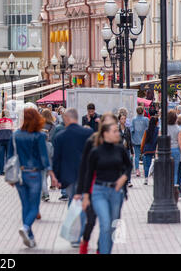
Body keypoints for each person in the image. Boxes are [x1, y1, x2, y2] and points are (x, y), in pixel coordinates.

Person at [6, 108, 58, 248]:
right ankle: (26, 227)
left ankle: (30, 237)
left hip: (19, 174)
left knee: (25, 205)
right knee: (34, 206)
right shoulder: (39, 136)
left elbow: (10, 156)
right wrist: (51, 173)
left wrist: (9, 176)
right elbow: (43, 156)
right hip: (34, 173)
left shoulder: (15, 135)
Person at [82, 122, 131, 254]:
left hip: (116, 192)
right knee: (105, 224)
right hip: (99, 190)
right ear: (105, 134)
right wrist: (86, 196)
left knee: (112, 226)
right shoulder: (95, 151)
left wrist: (124, 177)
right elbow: (88, 173)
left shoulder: (120, 149)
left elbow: (129, 166)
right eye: (114, 131)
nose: (118, 134)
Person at [75, 113, 118, 254]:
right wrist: (80, 191)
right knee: (92, 220)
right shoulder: (91, 141)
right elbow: (84, 168)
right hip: (93, 187)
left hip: (111, 189)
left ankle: (101, 249)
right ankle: (85, 242)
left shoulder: (117, 142)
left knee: (108, 225)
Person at [53, 108, 93, 247]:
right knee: (81, 204)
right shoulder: (88, 133)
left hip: (68, 176)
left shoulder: (60, 137)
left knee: (73, 201)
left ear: (68, 119)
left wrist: (56, 178)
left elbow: (56, 159)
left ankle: (74, 234)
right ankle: (77, 234)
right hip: (86, 175)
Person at [168, 110, 181, 194]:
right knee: (175, 171)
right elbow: (180, 143)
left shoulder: (163, 127)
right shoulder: (178, 128)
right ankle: (174, 189)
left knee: (166, 170)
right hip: (175, 150)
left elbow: (159, 140)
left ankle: (167, 187)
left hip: (166, 150)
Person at [140, 116, 159, 186]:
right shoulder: (158, 130)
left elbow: (143, 141)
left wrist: (142, 150)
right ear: (156, 122)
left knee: (146, 165)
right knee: (155, 165)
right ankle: (155, 178)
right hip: (155, 149)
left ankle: (146, 179)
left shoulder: (147, 130)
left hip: (147, 149)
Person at [130, 106, 149, 177]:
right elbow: (148, 129)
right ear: (143, 111)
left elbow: (132, 130)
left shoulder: (134, 120)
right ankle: (145, 169)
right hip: (144, 140)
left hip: (136, 140)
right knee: (144, 155)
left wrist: (131, 139)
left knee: (136, 156)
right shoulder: (146, 119)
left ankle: (137, 170)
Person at [0, 110, 14, 175]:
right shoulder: (10, 121)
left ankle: (0, 171)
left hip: (0, 139)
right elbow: (12, 130)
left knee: (1, 156)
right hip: (9, 139)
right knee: (9, 156)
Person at [118, 113, 133, 187]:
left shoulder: (127, 129)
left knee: (128, 164)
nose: (123, 120)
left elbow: (130, 140)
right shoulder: (117, 129)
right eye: (122, 119)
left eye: (124, 119)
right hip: (119, 149)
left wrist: (132, 151)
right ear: (119, 120)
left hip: (126, 149)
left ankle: (129, 180)